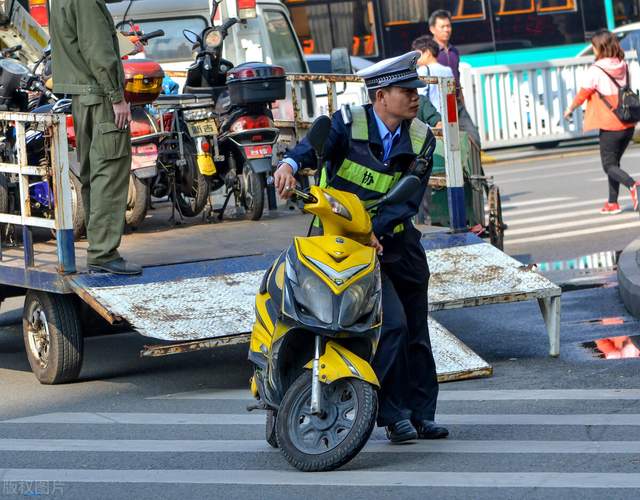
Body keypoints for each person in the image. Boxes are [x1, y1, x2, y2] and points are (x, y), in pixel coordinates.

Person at [274, 51, 449, 444]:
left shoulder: (421, 137)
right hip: (344, 245)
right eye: (407, 90)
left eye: (416, 89)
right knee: (392, 327)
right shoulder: (346, 123)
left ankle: (422, 414)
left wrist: (376, 229)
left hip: (397, 243)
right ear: (381, 95)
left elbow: (407, 197)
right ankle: (393, 414)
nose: (416, 97)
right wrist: (287, 164)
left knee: (417, 332)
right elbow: (309, 150)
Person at [49, 0, 142, 275]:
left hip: (84, 94)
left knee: (94, 173)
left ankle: (99, 250)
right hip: (100, 96)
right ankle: (103, 253)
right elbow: (97, 49)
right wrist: (117, 97)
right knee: (109, 172)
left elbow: (84, 41)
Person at [564, 30, 640, 215]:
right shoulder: (623, 65)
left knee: (608, 165)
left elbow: (584, 93)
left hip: (610, 125)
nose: (592, 48)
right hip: (628, 123)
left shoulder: (596, 70)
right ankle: (612, 203)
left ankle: (633, 184)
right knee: (614, 164)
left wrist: (570, 109)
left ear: (600, 47)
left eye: (594, 45)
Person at [428, 9, 482, 147]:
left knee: (473, 138)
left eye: (449, 26)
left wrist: (462, 102)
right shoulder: (430, 53)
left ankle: (474, 169)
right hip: (440, 105)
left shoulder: (454, 51)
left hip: (456, 102)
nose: (447, 30)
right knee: (449, 144)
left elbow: (456, 79)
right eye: (442, 27)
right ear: (433, 29)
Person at [412, 35, 453, 116]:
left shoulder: (423, 70)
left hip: (432, 119)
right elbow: (451, 96)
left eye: (417, 54)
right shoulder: (448, 70)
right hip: (448, 118)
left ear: (427, 53)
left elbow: (421, 98)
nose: (415, 58)